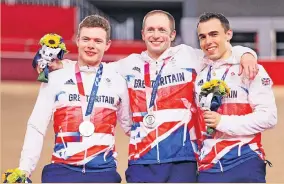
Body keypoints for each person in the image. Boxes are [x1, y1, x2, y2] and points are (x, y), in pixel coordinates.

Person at [43, 10, 259, 183]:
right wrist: (62, 65)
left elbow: (218, 50)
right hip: (140, 162)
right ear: (143, 34)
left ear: (172, 35)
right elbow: (95, 68)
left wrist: (247, 54)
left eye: (162, 30)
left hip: (183, 160)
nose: (156, 35)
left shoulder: (190, 56)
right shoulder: (128, 65)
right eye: (151, 30)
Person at [16, 15, 131, 183]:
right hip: (61, 171)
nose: (91, 45)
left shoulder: (117, 81)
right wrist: (24, 169)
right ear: (77, 40)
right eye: (86, 39)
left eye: (98, 41)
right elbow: (37, 126)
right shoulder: (56, 78)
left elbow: (130, 127)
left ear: (107, 45)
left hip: (103, 173)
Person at [195, 12, 277, 183]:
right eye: (202, 37)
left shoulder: (250, 69)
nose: (208, 41)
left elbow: (269, 118)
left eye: (214, 34)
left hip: (244, 160)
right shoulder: (199, 72)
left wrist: (222, 122)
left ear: (228, 34)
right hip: (208, 166)